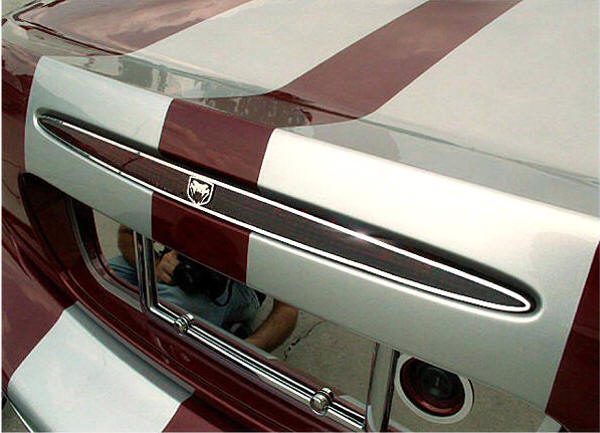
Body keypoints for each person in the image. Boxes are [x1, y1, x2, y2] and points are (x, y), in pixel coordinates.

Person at [110, 225, 298, 352]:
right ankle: (218, 330)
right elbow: (127, 233)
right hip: (178, 262)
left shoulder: (266, 215)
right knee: (109, 275)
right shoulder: (183, 186)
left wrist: (245, 350)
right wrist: (154, 264)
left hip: (235, 282)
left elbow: (288, 307)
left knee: (173, 307)